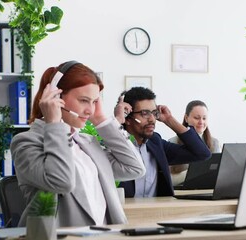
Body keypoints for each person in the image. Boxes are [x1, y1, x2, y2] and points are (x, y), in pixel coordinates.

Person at [10, 61, 146, 227]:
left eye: (95, 101)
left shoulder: (87, 142)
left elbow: (134, 168)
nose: (90, 110)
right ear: (57, 98)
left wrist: (101, 120)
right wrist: (54, 123)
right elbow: (61, 182)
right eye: (84, 100)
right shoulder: (26, 142)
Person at [117, 87, 211, 198]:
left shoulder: (156, 143)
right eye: (144, 113)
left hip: (158, 212)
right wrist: (117, 119)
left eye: (154, 113)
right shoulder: (114, 145)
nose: (152, 119)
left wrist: (169, 119)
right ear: (127, 117)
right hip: (124, 212)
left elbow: (202, 154)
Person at [169, 100, 221, 186]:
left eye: (204, 118)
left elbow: (217, 175)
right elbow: (170, 180)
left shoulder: (214, 143)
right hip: (182, 193)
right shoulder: (172, 142)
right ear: (186, 118)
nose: (201, 122)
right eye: (197, 118)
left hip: (206, 190)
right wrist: (199, 173)